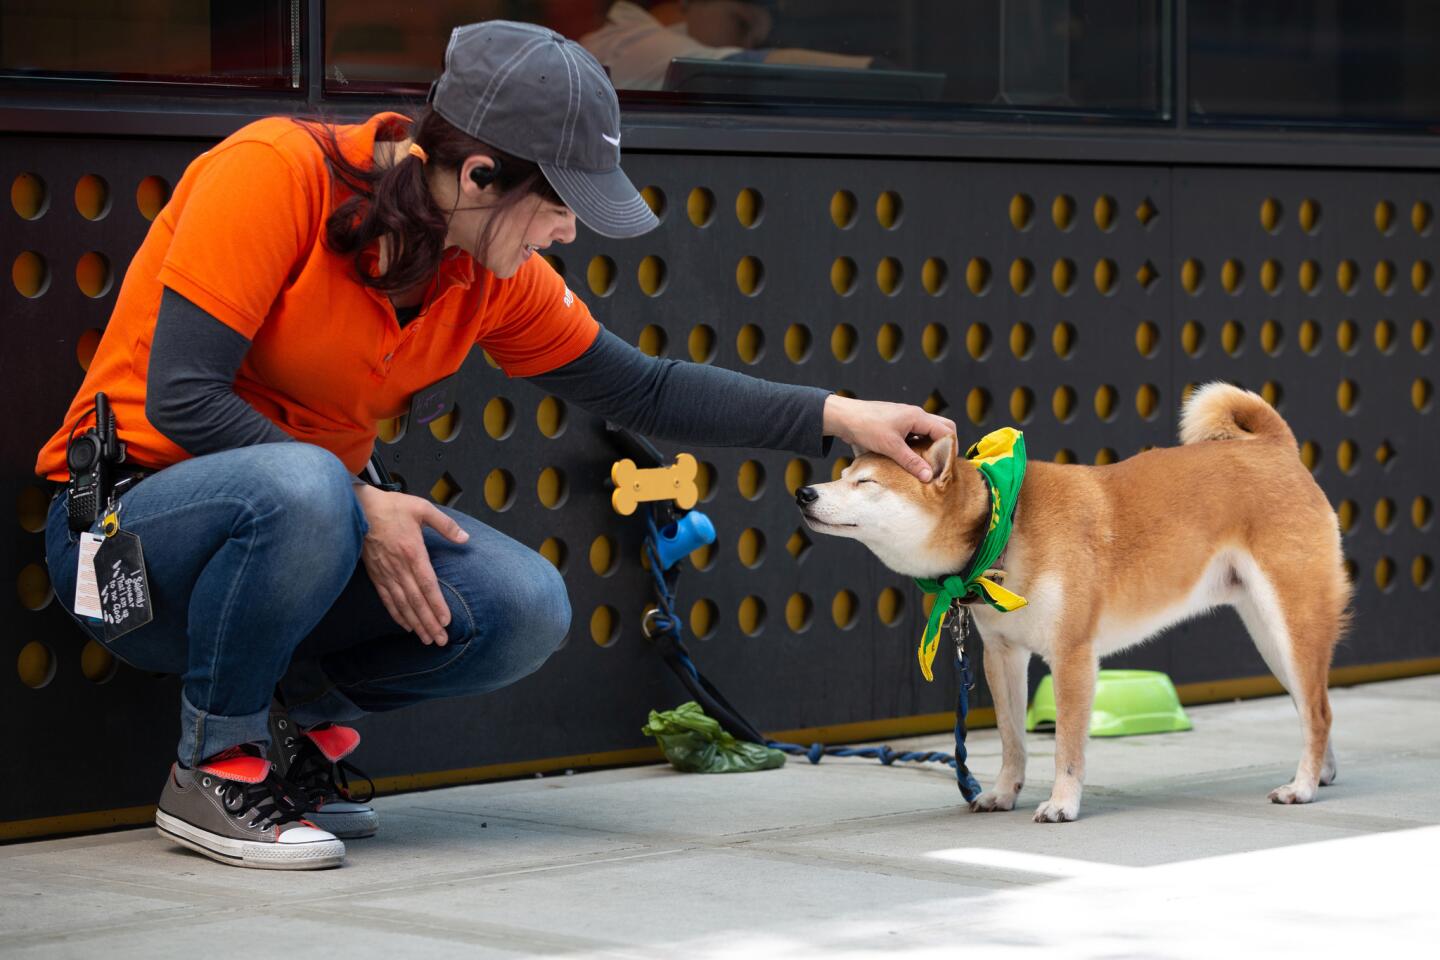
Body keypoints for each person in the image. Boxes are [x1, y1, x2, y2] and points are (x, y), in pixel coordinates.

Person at [36, 20, 952, 871]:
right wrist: (357, 502)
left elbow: (644, 387)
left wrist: (840, 415)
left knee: (520, 604)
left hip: (298, 537)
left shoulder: (487, 273)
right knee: (312, 484)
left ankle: (289, 731)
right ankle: (216, 767)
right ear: (476, 176)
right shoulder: (276, 173)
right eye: (557, 207)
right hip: (127, 540)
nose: (568, 232)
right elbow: (185, 395)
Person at [581, 0, 875, 90]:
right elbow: (750, 68)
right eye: (742, 24)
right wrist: (873, 71)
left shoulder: (619, 36)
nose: (747, 41)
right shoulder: (639, 43)